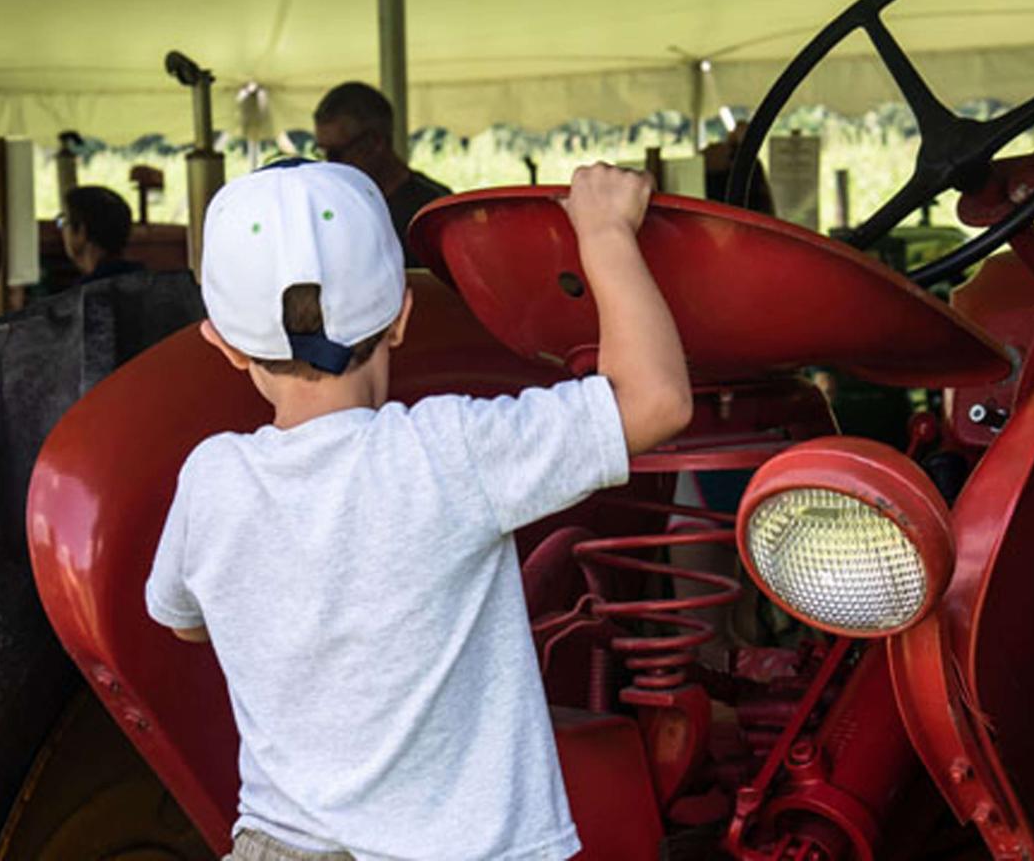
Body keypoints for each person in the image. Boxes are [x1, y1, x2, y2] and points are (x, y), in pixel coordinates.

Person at [145, 159, 690, 860]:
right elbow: (657, 402)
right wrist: (607, 231)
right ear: (403, 317)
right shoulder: (447, 452)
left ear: (222, 343)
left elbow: (187, 624)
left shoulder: (210, 478)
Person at [313, 82, 451, 266]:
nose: (328, 166)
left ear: (375, 142)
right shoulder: (329, 211)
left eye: (335, 154)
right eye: (321, 154)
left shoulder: (435, 212)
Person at [59, 185, 145, 284]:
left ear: (82, 231)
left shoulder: (82, 294)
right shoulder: (146, 280)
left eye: (63, 221)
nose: (61, 230)